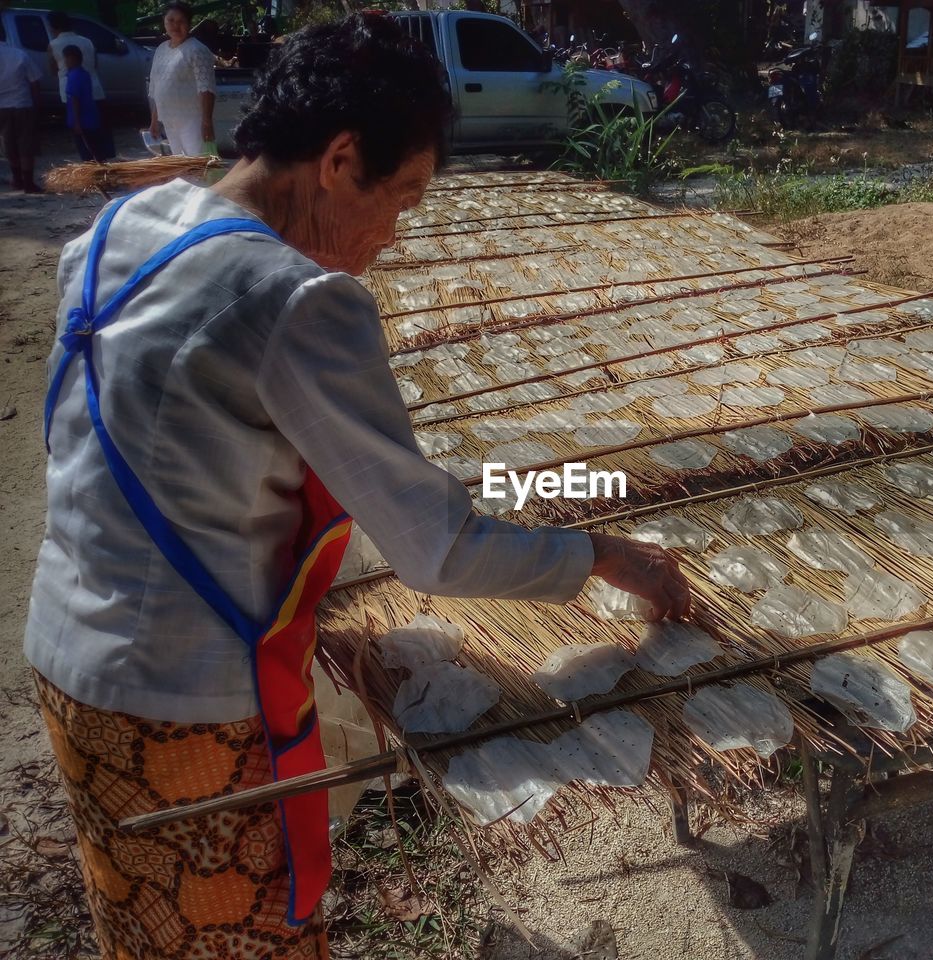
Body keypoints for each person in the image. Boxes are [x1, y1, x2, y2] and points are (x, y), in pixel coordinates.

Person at [29, 13, 691, 959]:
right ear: (339, 159)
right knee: (244, 941)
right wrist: (606, 554)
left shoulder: (122, 227)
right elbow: (440, 547)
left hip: (69, 666)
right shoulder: (297, 299)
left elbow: (163, 457)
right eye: (404, 196)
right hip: (181, 707)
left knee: (145, 933)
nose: (394, 234)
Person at [147, 0, 215, 156]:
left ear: (189, 24)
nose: (175, 26)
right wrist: (154, 120)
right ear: (164, 22)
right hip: (170, 121)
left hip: (192, 122)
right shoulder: (161, 49)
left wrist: (206, 122)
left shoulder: (197, 50)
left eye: (181, 21)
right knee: (180, 165)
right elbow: (157, 88)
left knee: (198, 166)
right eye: (171, 20)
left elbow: (206, 88)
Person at [0, 39, 41, 193]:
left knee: (8, 144)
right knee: (26, 145)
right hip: (22, 103)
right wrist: (37, 105)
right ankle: (28, 182)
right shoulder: (19, 54)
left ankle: (17, 179)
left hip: (1, 107)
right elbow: (34, 81)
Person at [63, 44, 116, 161]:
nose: (65, 62)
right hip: (90, 118)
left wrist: (76, 121)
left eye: (66, 58)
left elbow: (75, 99)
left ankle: (96, 173)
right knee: (95, 149)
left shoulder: (75, 76)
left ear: (72, 58)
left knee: (88, 151)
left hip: (83, 120)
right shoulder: (84, 73)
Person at [47, 11, 105, 106]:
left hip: (70, 93)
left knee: (75, 119)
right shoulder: (88, 42)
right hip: (93, 90)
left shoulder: (53, 45)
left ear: (53, 27)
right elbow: (95, 65)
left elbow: (53, 71)